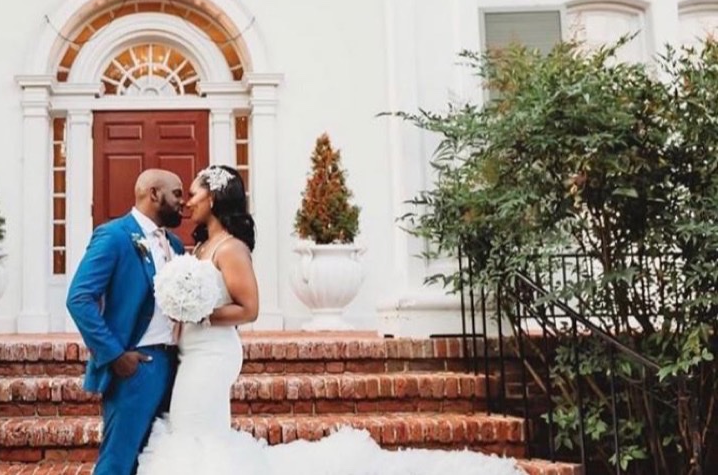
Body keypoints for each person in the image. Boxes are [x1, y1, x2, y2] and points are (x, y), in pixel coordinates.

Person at [134, 165, 527, 475]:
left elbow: (249, 309)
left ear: (215, 197)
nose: (188, 200)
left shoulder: (231, 248)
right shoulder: (202, 244)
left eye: (195, 192)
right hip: (193, 354)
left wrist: (200, 312)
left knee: (196, 434)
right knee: (197, 433)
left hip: (212, 357)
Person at [66, 168, 187, 475]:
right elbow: (79, 298)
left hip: (177, 365)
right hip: (137, 367)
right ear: (154, 194)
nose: (183, 202)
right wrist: (115, 355)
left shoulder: (175, 245)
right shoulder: (114, 235)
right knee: (119, 461)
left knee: (157, 459)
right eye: (177, 193)